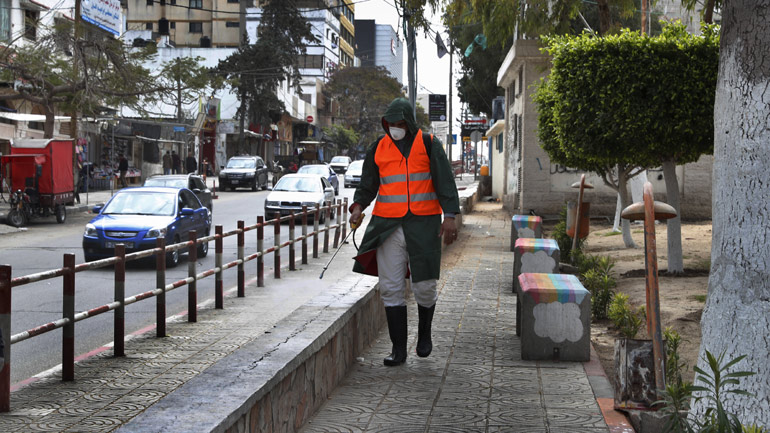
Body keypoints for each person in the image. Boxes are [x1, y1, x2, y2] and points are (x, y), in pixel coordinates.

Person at [348, 97, 460, 367]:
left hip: (424, 224)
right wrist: (358, 207)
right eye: (391, 124)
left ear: (409, 123)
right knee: (391, 287)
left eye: (400, 123)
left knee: (424, 285)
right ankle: (398, 350)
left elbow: (444, 180)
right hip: (388, 225)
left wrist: (451, 216)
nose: (395, 128)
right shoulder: (379, 147)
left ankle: (424, 336)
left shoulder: (428, 143)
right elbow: (368, 184)